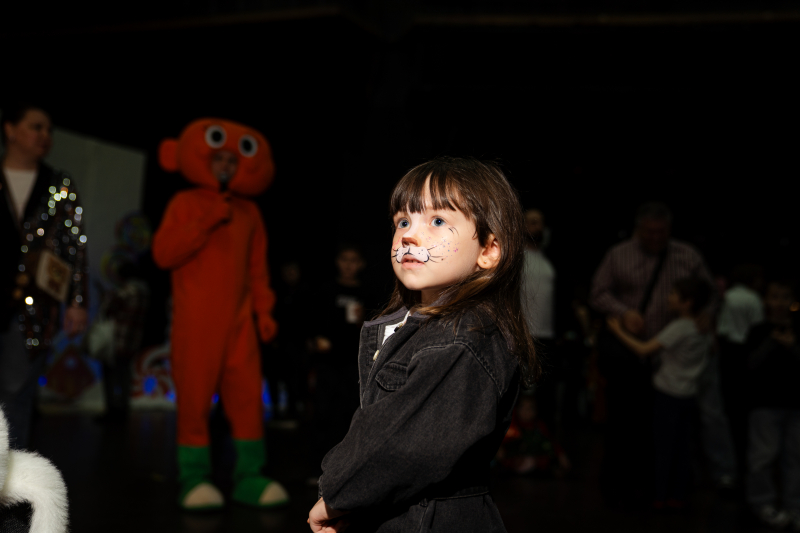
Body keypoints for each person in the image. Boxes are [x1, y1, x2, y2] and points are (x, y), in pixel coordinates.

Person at [307, 157, 536, 533]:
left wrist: (336, 495)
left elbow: (402, 442)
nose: (409, 235)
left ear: (489, 251)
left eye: (438, 221)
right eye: (402, 221)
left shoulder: (464, 337)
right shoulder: (413, 324)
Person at [152, 119, 287, 510]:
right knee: (194, 399)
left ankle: (249, 475)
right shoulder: (184, 203)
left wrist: (264, 312)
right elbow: (163, 254)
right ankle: (194, 477)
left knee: (247, 399)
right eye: (219, 159)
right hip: (196, 324)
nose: (226, 166)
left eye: (232, 160)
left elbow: (258, 270)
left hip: (240, 323)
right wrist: (206, 220)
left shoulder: (250, 212)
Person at [590, 201, 717, 507]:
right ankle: (620, 486)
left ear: (669, 230)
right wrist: (624, 313)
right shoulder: (618, 254)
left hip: (668, 358)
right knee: (623, 423)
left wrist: (707, 314)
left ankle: (657, 486)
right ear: (639, 229)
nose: (655, 238)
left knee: (661, 428)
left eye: (661, 232)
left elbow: (711, 293)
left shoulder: (687, 256)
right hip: (628, 356)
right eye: (649, 232)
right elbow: (598, 293)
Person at [1, 103, 88, 449]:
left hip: (31, 306)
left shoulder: (58, 185)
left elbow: (74, 247)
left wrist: (77, 301)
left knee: (15, 393)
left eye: (49, 130)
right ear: (10, 130)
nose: (45, 136)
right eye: (36, 127)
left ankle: (8, 476)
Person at [608, 276, 713, 509]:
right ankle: (678, 495)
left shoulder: (680, 327)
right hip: (689, 394)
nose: (669, 297)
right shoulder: (702, 327)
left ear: (687, 302)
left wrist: (618, 331)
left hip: (668, 394)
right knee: (682, 447)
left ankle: (660, 495)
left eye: (674, 294)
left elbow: (644, 349)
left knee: (664, 446)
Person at [308, 244, 370, 482]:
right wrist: (316, 341)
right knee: (323, 413)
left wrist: (364, 319)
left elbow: (374, 327)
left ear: (361, 264)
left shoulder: (367, 292)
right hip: (328, 362)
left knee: (351, 415)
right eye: (344, 259)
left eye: (353, 260)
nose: (348, 265)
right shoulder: (326, 290)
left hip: (355, 364)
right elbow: (312, 322)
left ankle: (347, 472)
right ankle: (318, 470)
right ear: (337, 262)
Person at [743, 280, 800, 530]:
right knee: (763, 457)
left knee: (796, 458)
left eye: (785, 297)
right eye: (774, 297)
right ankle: (762, 504)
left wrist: (792, 346)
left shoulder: (797, 330)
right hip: (764, 404)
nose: (779, 302)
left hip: (796, 404)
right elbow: (749, 365)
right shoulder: (758, 331)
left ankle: (794, 506)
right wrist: (772, 342)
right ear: (766, 300)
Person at [716, 263, 764, 479]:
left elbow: (721, 328)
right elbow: (758, 326)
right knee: (744, 413)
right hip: (746, 353)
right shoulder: (753, 298)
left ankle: (733, 464)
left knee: (729, 411)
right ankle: (744, 464)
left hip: (728, 354)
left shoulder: (728, 297)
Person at [521, 209, 558, 427]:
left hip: (547, 336)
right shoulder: (515, 258)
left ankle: (542, 441)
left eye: (541, 223)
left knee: (544, 397)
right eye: (533, 222)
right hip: (521, 335)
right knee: (521, 395)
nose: (538, 227)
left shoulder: (549, 260)